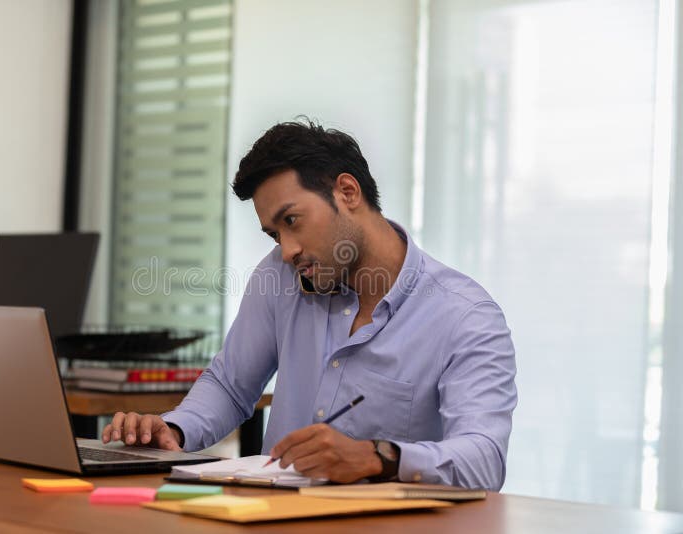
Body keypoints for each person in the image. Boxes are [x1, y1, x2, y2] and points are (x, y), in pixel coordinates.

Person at [102, 120, 517, 489]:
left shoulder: (465, 317)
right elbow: (230, 386)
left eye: (292, 221)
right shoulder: (280, 276)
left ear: (347, 192)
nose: (287, 250)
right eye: (274, 234)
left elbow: (484, 460)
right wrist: (176, 428)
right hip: (272, 520)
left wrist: (379, 458)